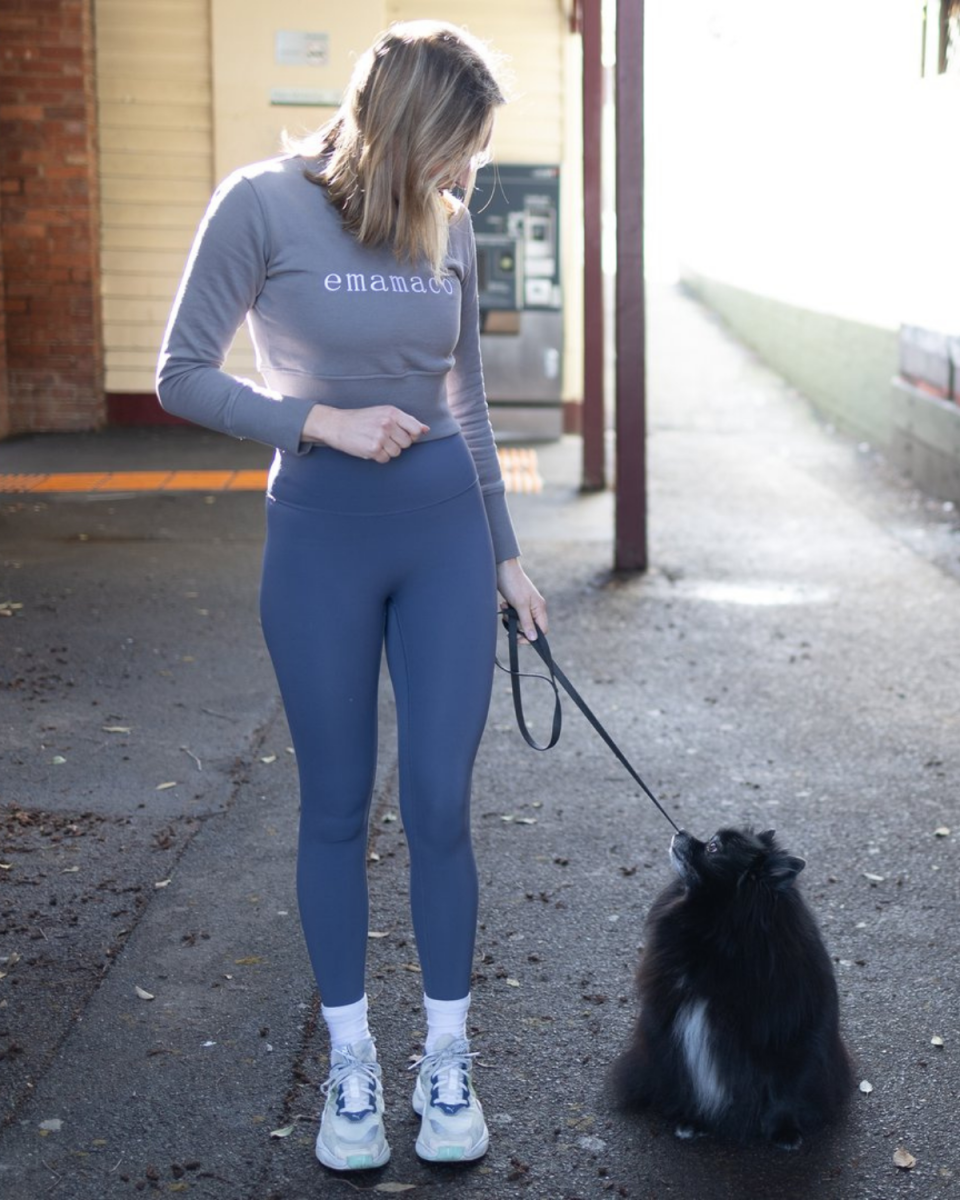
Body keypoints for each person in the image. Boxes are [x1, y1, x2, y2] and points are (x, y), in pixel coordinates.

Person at [156, 19, 546, 1173]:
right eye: (461, 144)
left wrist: (507, 555)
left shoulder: (453, 223)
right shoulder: (262, 205)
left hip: (442, 535)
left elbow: (467, 398)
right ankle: (351, 1065)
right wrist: (314, 421)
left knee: (439, 799)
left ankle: (447, 1056)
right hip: (320, 535)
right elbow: (181, 373)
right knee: (335, 802)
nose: (469, 172)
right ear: (410, 126)